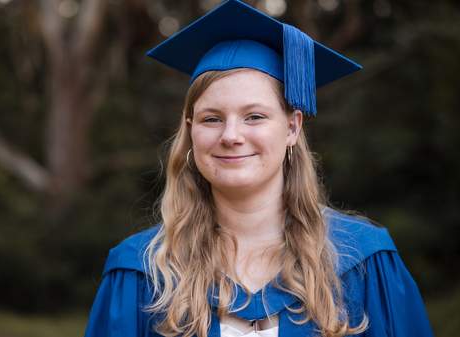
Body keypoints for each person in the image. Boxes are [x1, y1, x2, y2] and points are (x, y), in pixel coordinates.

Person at [83, 1, 434, 336]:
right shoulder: (140, 272)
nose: (231, 135)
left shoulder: (362, 262)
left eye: (254, 116)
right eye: (211, 118)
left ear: (292, 127)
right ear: (190, 130)